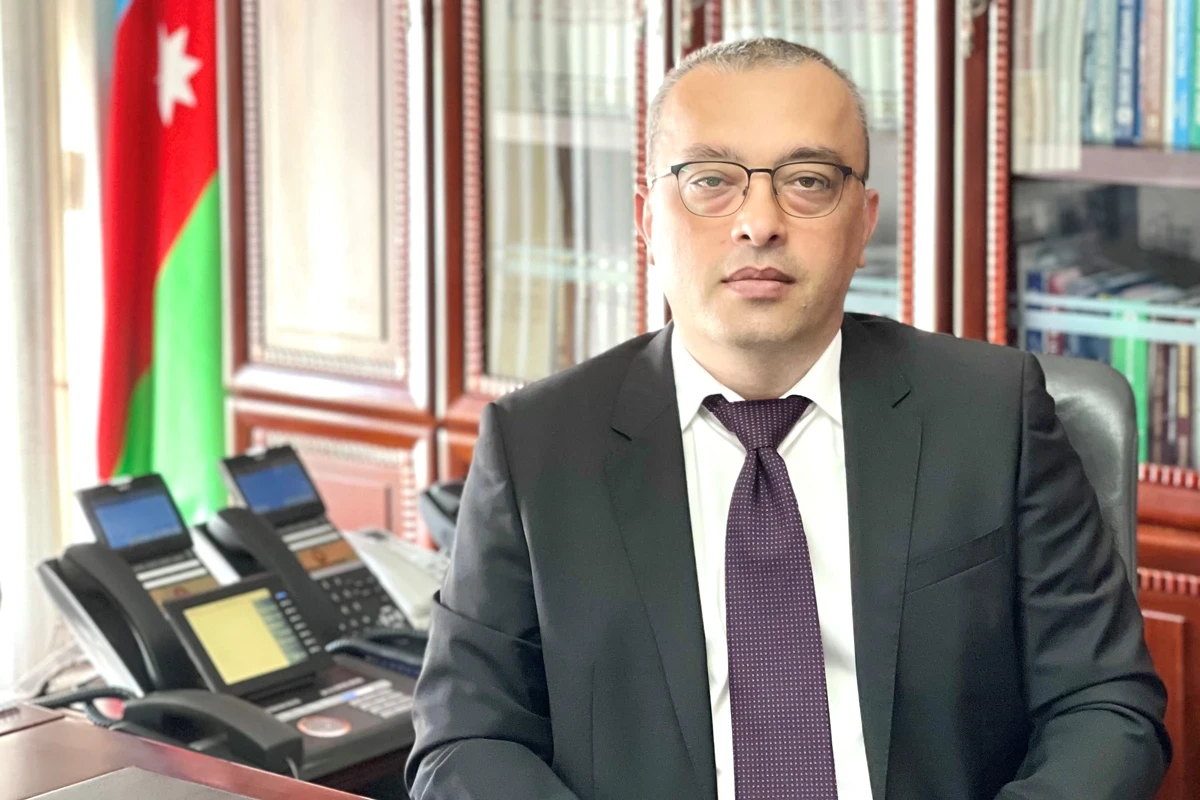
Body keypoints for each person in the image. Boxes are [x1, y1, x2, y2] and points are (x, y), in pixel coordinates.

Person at [405, 38, 1170, 800]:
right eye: (711, 180)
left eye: (808, 181)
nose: (760, 222)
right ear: (646, 221)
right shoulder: (538, 445)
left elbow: (1105, 704)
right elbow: (467, 738)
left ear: (864, 222)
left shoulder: (991, 412)